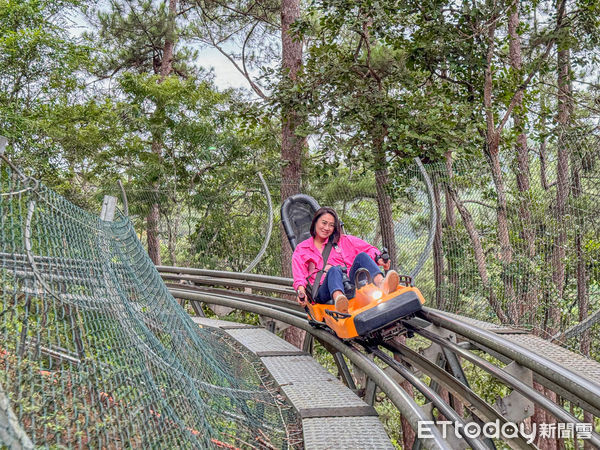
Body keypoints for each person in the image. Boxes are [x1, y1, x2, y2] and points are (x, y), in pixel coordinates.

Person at [292, 207, 399, 314]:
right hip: (323, 290)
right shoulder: (302, 249)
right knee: (334, 270)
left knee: (362, 256)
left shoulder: (343, 241)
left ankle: (382, 283)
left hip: (348, 283)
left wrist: (379, 258)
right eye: (323, 223)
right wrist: (301, 292)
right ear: (315, 222)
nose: (326, 228)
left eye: (331, 225)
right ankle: (340, 301)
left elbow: (368, 249)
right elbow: (299, 276)